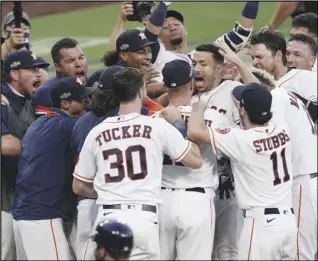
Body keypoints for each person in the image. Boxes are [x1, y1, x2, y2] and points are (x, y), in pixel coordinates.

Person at [72, 67, 203, 260]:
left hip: (108, 218)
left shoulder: (97, 132)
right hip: (144, 219)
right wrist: (180, 127)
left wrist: (110, 191)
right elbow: (195, 161)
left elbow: (78, 186)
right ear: (141, 92)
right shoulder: (156, 125)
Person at [187, 83, 297, 260]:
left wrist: (199, 104)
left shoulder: (241, 139)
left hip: (261, 225)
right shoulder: (282, 128)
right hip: (288, 224)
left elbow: (194, 131)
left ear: (243, 110)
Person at [232, 81, 318, 261]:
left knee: (301, 254)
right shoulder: (284, 94)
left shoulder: (276, 103)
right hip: (306, 178)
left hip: (303, 181)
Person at [155, 59, 230, 260]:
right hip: (196, 202)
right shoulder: (211, 116)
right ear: (190, 84)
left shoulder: (153, 120)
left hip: (160, 201)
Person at [11, 77, 92, 260]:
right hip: (42, 218)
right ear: (65, 104)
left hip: (24, 216)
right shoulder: (67, 125)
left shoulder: (38, 124)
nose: (88, 104)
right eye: (83, 100)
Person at [1, 49, 49, 260]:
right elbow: (5, 145)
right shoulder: (3, 102)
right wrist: (45, 153)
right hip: (4, 203)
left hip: (24, 201)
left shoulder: (30, 100)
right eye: (32, 69)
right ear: (15, 74)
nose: (38, 74)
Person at [248, 29, 317, 122]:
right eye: (253, 57)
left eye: (259, 57)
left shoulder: (309, 78)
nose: (254, 62)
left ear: (278, 55)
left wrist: (280, 93)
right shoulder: (254, 82)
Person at [33, 37, 89, 117]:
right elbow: (48, 126)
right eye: (71, 61)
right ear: (58, 67)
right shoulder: (46, 92)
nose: (79, 64)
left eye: (81, 58)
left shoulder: (94, 83)